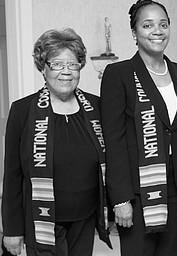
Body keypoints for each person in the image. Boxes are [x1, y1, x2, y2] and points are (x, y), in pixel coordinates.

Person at [1, 28, 111, 256]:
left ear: (80, 66)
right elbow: (12, 176)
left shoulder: (97, 107)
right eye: (57, 64)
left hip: (85, 219)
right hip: (42, 221)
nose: (66, 72)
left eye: (72, 64)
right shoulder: (23, 111)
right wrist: (11, 229)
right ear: (43, 68)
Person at [100, 1, 177, 255]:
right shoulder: (118, 74)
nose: (157, 30)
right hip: (137, 195)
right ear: (134, 33)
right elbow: (114, 140)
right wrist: (120, 199)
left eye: (163, 24)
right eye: (148, 25)